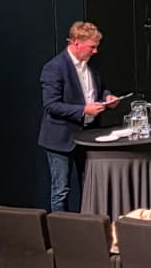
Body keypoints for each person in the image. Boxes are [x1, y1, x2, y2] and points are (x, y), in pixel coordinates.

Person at [39, 21, 120, 213]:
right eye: (92, 47)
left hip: (88, 136)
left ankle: (89, 226)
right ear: (76, 43)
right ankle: (61, 229)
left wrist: (107, 98)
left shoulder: (93, 65)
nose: (95, 51)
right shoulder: (54, 68)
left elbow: (99, 89)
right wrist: (83, 110)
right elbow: (51, 105)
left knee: (90, 186)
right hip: (61, 139)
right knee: (61, 190)